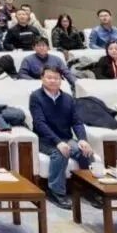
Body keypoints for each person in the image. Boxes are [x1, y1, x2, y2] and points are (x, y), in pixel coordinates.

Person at [29, 67, 95, 209]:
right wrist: (58, 142)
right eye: (49, 77)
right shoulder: (36, 97)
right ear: (42, 78)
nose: (53, 81)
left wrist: (82, 139)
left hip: (66, 138)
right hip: (44, 140)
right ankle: (56, 192)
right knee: (60, 153)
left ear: (61, 80)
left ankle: (90, 189)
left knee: (86, 152)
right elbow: (40, 123)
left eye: (56, 78)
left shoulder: (68, 98)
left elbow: (76, 122)